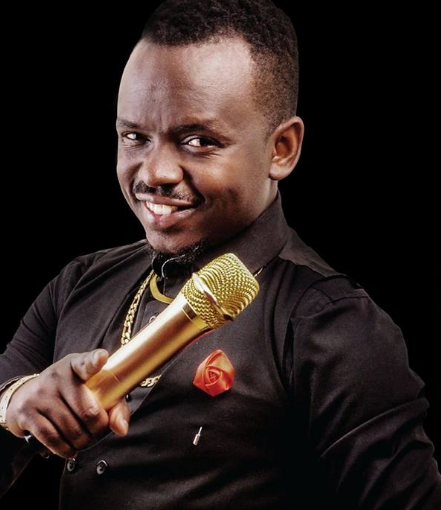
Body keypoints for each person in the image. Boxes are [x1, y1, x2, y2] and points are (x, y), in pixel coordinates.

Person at [1, 0, 440, 508]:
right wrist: (16, 402)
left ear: (282, 149)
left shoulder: (335, 328)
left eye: (197, 140)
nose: (155, 172)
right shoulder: (80, 281)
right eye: (134, 137)